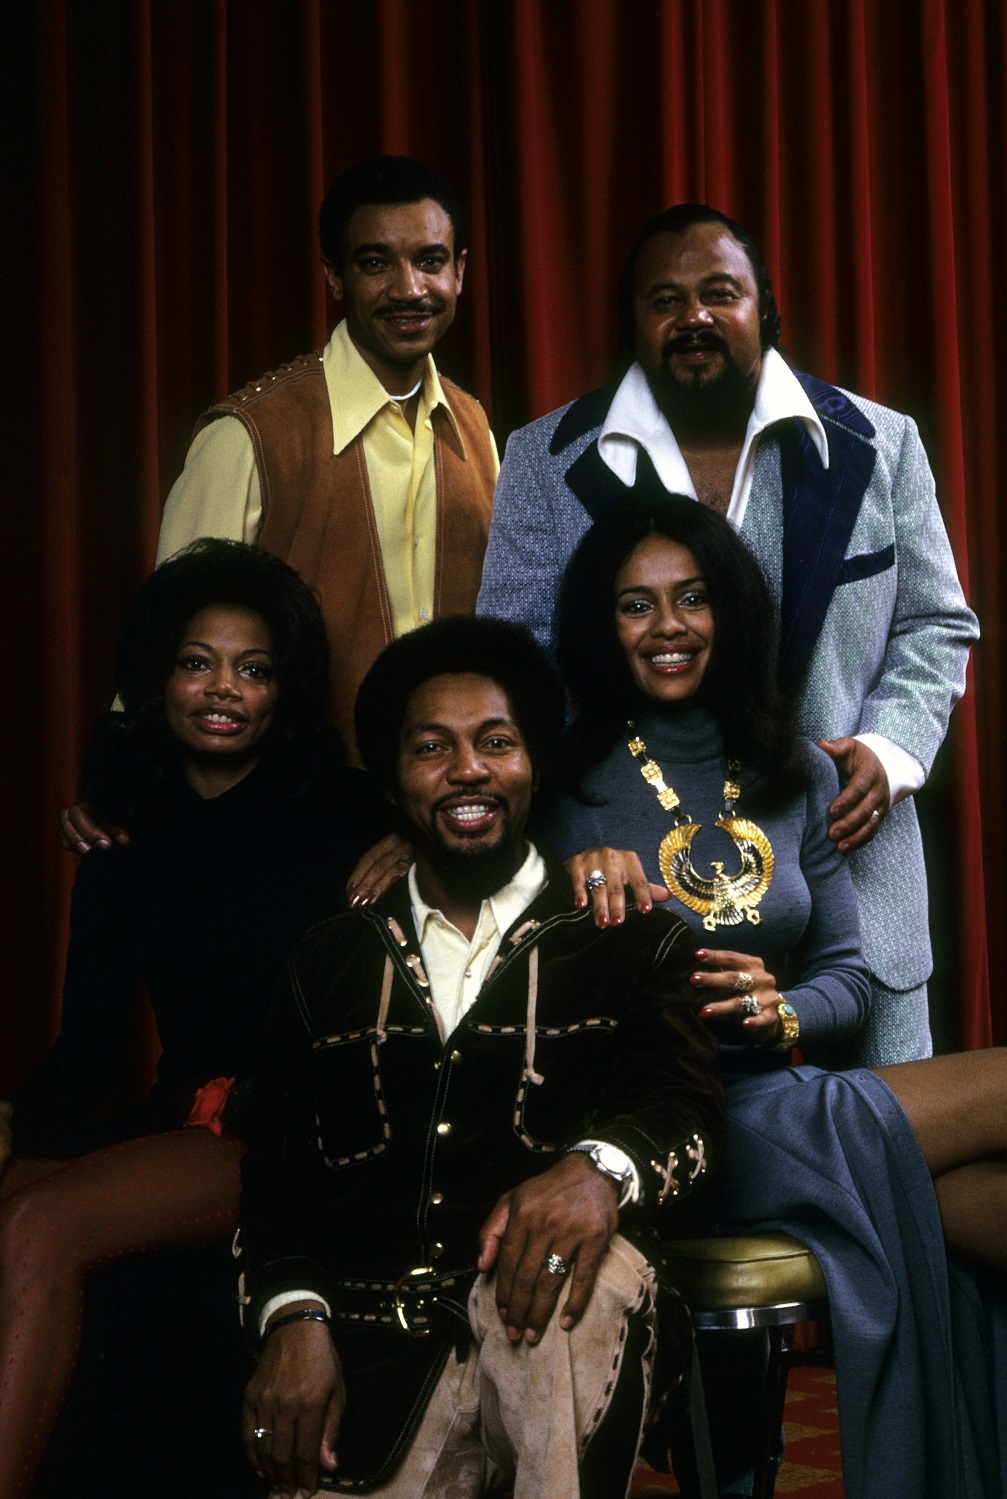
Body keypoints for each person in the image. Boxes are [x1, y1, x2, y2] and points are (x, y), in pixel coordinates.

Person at [544, 498, 1007, 1499]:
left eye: (691, 597)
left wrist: (784, 1007)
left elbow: (846, 974)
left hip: (777, 1094)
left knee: (970, 1209)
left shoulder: (789, 768)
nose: (666, 626)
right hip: (666, 1124)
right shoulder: (556, 782)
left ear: (730, 611)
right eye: (634, 604)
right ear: (599, 623)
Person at [477, 202, 979, 1067]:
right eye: (664, 300)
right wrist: (557, 833)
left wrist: (890, 748)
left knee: (894, 1140)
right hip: (642, 910)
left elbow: (935, 621)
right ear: (631, 321)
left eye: (719, 292)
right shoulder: (544, 458)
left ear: (765, 308)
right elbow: (512, 663)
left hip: (858, 882)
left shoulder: (881, 441)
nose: (693, 316)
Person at [237, 614, 724, 1499]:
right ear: (394, 782)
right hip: (377, 1363)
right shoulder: (325, 961)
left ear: (534, 765)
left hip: (554, 1335)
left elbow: (684, 1110)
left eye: (495, 742)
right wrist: (290, 1316)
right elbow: (274, 1173)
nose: (467, 768)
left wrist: (595, 1170)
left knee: (572, 1270)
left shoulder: (628, 937)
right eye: (432, 747)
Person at [0, 540, 387, 1499]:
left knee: (45, 1223)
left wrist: (413, 845)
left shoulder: (343, 809)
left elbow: (474, 826)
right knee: (15, 1203)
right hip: (184, 1114)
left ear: (283, 689)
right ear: (158, 678)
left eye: (253, 669)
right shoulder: (124, 834)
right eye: (196, 662)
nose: (223, 689)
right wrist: (11, 1124)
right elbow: (88, 1051)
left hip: (292, 1117)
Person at [62, 157, 498, 864]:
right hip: (290, 828)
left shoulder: (476, 428)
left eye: (429, 261)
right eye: (375, 263)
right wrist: (113, 790)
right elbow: (165, 641)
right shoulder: (249, 435)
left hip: (448, 821)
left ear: (460, 271)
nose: (408, 288)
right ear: (334, 277)